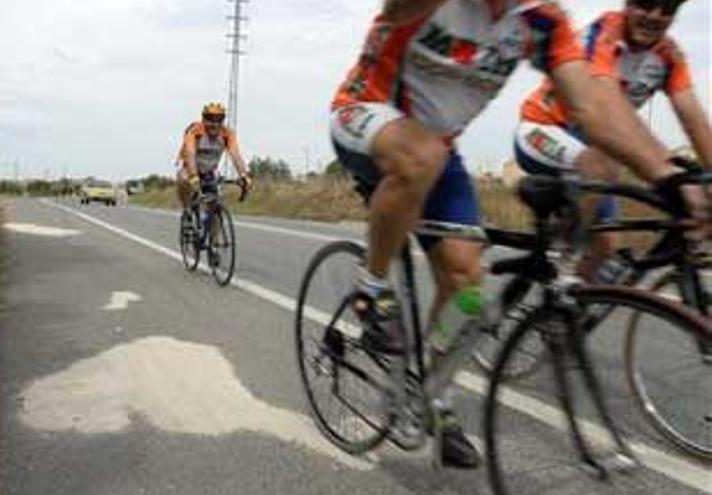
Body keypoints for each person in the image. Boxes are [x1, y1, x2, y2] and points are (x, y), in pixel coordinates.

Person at [329, 0, 709, 469]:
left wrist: (668, 177)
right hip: (362, 113)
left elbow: (592, 107)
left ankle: (435, 394)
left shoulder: (544, 21)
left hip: (438, 152)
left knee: (468, 287)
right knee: (421, 155)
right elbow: (396, 10)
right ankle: (372, 287)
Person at [515, 0, 712, 281]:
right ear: (627, 4)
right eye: (645, 3)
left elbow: (694, 118)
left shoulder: (668, 56)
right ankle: (563, 261)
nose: (655, 15)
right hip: (543, 129)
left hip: (596, 148)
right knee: (602, 162)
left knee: (607, 245)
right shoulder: (606, 31)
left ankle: (562, 316)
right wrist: (669, 172)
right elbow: (605, 103)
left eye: (667, 7)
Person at [175, 102, 252, 212]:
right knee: (183, 179)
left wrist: (244, 175)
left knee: (214, 204)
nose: (214, 124)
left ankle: (213, 225)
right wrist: (193, 176)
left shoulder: (227, 134)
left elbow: (236, 155)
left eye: (219, 120)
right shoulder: (195, 132)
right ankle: (186, 210)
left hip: (209, 171)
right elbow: (190, 154)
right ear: (203, 120)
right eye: (210, 119)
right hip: (190, 168)